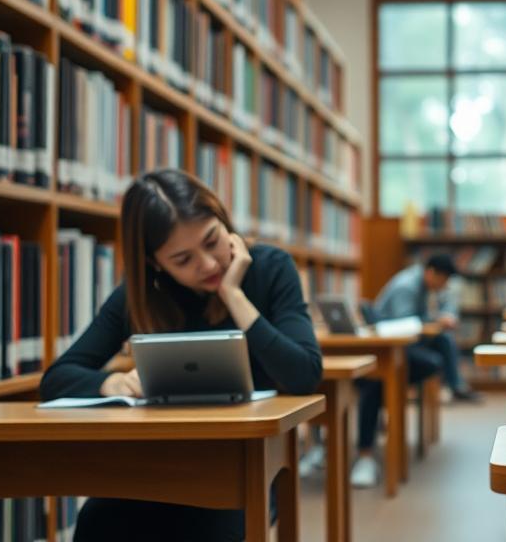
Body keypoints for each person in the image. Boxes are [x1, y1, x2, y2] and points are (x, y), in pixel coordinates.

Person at [40, 169, 323, 541]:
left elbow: (304, 373)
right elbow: (56, 380)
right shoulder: (143, 295)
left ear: (224, 221)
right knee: (97, 521)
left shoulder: (271, 269)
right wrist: (114, 381)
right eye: (183, 259)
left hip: (243, 471)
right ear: (156, 263)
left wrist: (234, 296)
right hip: (155, 470)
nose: (207, 264)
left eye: (212, 241)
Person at [350, 254, 478, 489]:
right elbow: (403, 325)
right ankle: (450, 385)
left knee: (443, 343)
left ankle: (454, 384)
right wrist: (436, 319)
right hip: (387, 349)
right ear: (432, 273)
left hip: (402, 347)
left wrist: (443, 316)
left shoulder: (425, 284)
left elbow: (447, 302)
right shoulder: (407, 287)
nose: (445, 286)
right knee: (428, 361)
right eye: (444, 280)